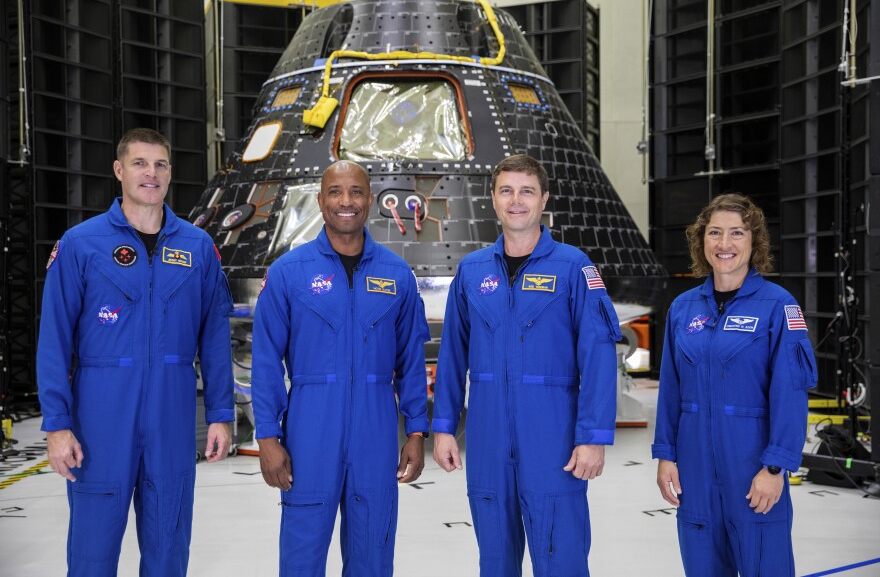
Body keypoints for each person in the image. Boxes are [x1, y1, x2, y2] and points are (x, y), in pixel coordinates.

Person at [37, 128, 235, 576]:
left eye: (161, 164)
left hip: (172, 416)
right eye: (140, 163)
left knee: (168, 547)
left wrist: (221, 413)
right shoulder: (81, 245)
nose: (151, 173)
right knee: (92, 551)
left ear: (170, 174)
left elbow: (215, 340)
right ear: (119, 170)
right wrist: (57, 425)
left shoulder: (198, 248)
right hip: (100, 417)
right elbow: (54, 341)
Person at [432, 154, 622, 576]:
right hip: (487, 440)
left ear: (544, 200)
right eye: (506, 191)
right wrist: (444, 426)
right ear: (494, 201)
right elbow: (452, 355)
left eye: (526, 191)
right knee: (495, 560)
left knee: (562, 558)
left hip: (553, 440)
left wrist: (592, 436)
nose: (516, 201)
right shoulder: (471, 271)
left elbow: (598, 356)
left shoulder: (574, 267)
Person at [251, 160, 431, 576]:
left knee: (373, 552)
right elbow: (264, 361)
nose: (345, 202)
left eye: (355, 192)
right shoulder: (287, 274)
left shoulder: (396, 275)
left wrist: (416, 431)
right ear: (320, 200)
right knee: (302, 555)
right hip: (310, 430)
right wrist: (267, 436)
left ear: (370, 200)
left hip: (376, 429)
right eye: (335, 192)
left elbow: (410, 360)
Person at [652, 193, 818, 576]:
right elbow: (671, 390)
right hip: (694, 469)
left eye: (736, 233)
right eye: (714, 233)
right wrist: (666, 455)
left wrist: (775, 468)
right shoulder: (683, 308)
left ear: (754, 241)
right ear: (701, 241)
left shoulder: (778, 306)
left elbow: (790, 395)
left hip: (751, 467)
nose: (724, 244)